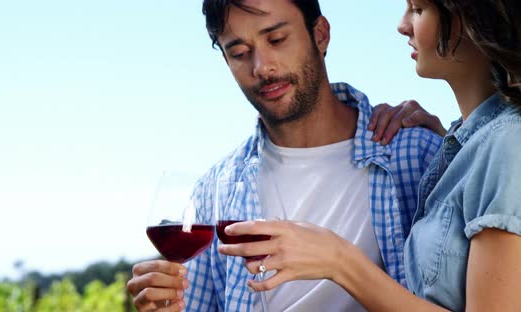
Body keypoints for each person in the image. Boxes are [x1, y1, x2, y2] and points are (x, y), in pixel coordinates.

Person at [127, 0, 443, 311]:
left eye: (276, 39)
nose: (261, 66)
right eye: (238, 53)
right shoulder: (215, 191)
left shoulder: (420, 156)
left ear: (320, 35)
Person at [220, 0, 521, 311]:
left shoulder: (506, 139)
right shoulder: (461, 147)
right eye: (239, 53)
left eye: (417, 9)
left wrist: (339, 260)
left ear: (473, 17)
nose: (402, 25)